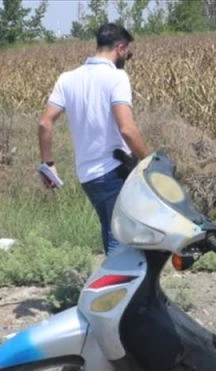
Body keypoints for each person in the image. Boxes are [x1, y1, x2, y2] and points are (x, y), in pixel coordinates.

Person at [38, 22, 150, 255]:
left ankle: (123, 277)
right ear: (120, 48)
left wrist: (48, 164)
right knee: (120, 242)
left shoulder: (67, 78)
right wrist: (149, 161)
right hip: (113, 171)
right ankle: (117, 278)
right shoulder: (117, 77)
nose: (127, 59)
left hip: (87, 176)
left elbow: (45, 123)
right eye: (127, 53)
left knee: (113, 233)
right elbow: (127, 129)